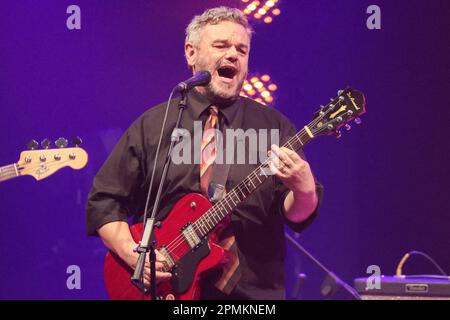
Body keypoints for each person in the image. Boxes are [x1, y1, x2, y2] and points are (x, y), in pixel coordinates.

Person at [86, 6, 323, 300]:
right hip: (164, 291)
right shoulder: (154, 126)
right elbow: (105, 200)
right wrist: (130, 253)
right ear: (191, 53)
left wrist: (304, 188)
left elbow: (298, 213)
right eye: (221, 45)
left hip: (249, 296)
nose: (234, 55)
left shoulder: (273, 127)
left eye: (242, 49)